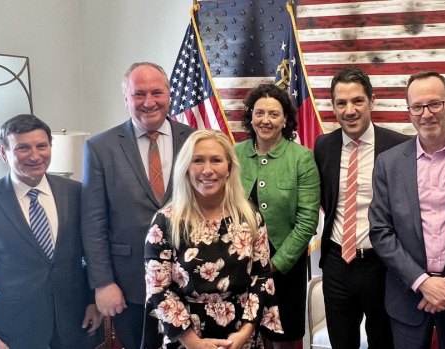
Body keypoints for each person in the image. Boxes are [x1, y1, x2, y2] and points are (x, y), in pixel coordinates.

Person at [369, 71, 445, 348]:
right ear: (409, 112)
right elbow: (380, 231)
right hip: (407, 298)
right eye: (417, 107)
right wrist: (423, 282)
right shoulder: (388, 163)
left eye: (434, 104)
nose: (426, 114)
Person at [81, 62, 194, 349]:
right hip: (129, 283)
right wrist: (103, 283)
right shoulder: (100, 147)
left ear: (169, 94)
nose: (149, 102)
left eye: (157, 92)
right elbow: (94, 222)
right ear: (126, 98)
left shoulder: (194, 140)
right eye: (139, 94)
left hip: (189, 280)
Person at [141, 130, 283, 349]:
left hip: (240, 338)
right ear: (186, 168)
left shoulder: (249, 217)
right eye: (198, 161)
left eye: (216, 160)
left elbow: (261, 278)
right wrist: (193, 342)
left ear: (229, 168)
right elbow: (158, 289)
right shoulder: (165, 222)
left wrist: (246, 332)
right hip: (186, 339)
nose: (207, 170)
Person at [314, 66, 410, 348]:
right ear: (333, 106)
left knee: (383, 341)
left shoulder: (398, 146)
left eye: (357, 101)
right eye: (341, 103)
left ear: (372, 101)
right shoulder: (323, 146)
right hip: (336, 264)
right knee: (341, 342)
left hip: (381, 265)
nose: (350, 110)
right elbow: (324, 199)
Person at [0, 114, 102, 349]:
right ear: (3, 151)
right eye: (22, 148)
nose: (35, 155)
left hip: (76, 324)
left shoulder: (77, 192)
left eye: (42, 146)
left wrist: (93, 300)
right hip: (13, 330)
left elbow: (93, 252)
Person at [235, 83, 320, 348]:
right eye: (259, 113)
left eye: (274, 114)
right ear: (251, 116)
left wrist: (275, 263)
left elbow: (307, 221)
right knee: (244, 333)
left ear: (285, 119)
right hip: (239, 264)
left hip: (285, 266)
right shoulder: (234, 154)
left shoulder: (301, 158)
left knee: (284, 338)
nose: (266, 120)